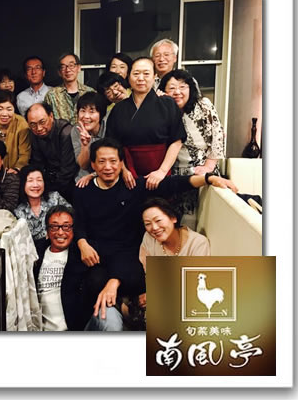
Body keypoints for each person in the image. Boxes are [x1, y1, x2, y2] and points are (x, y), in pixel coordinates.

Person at [75, 138, 237, 331]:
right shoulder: (84, 190)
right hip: (97, 257)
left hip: (129, 258)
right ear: (93, 165)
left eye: (113, 161)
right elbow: (79, 221)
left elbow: (173, 184)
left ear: (121, 163)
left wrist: (209, 178)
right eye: (102, 162)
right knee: (90, 284)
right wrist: (82, 243)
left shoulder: (133, 186)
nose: (108, 167)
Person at [106, 56, 186, 190]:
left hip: (160, 171)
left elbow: (177, 140)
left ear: (155, 76)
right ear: (128, 77)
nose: (141, 78)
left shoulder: (167, 104)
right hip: (128, 174)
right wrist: (123, 170)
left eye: (146, 73)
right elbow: (112, 144)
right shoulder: (119, 109)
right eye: (136, 73)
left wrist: (162, 171)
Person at [160, 69, 225, 228]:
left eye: (182, 87)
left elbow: (217, 135)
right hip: (175, 174)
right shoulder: (162, 111)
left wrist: (209, 166)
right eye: (171, 88)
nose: (177, 92)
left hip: (202, 170)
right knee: (178, 220)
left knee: (203, 220)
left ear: (190, 88)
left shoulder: (203, 105)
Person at [33, 205, 91, 331]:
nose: (60, 232)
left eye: (66, 226)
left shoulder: (80, 256)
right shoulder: (36, 253)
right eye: (54, 227)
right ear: (47, 230)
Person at [26, 102, 78, 202]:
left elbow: (67, 170)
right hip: (49, 178)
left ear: (51, 116)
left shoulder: (66, 132)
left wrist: (50, 190)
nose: (39, 128)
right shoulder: (33, 134)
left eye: (42, 122)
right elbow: (37, 163)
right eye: (33, 124)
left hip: (70, 180)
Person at [14, 164, 71, 249]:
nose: (35, 185)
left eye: (39, 180)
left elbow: (72, 217)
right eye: (30, 181)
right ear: (23, 184)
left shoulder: (55, 198)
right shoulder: (19, 211)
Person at [43, 53, 95, 124]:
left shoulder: (90, 92)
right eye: (63, 67)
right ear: (59, 72)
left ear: (79, 68)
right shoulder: (52, 95)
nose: (68, 70)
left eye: (71, 65)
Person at [70, 92, 107, 182]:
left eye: (92, 111)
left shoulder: (109, 127)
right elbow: (83, 165)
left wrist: (93, 175)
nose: (86, 116)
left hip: (107, 175)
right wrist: (85, 146)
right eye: (83, 111)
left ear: (101, 114)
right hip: (84, 178)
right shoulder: (76, 130)